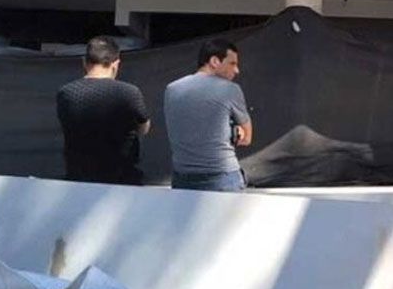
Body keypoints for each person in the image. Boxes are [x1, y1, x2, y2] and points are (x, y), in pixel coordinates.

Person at [55, 36, 150, 185]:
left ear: (84, 61)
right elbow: (143, 127)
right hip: (121, 178)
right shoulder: (129, 92)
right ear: (116, 64)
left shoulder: (66, 93)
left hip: (78, 178)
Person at [164, 38, 253, 191]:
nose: (236, 70)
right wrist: (235, 132)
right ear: (214, 61)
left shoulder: (171, 89)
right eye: (232, 63)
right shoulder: (230, 89)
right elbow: (246, 138)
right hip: (222, 176)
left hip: (182, 178)